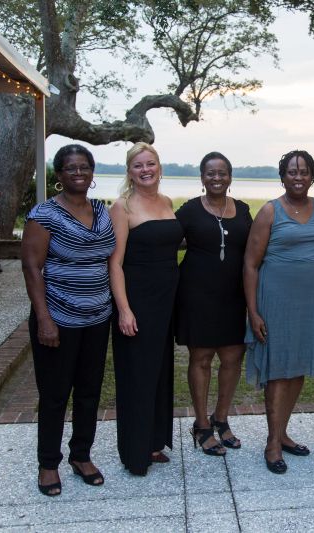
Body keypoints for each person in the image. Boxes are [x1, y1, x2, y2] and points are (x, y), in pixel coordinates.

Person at [21, 144, 115, 496]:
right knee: (55, 395)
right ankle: (48, 464)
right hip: (58, 319)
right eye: (71, 168)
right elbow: (31, 267)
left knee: (89, 392)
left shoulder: (102, 211)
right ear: (58, 175)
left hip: (97, 317)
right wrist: (44, 319)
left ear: (92, 173)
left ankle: (81, 456)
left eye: (84, 167)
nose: (79, 173)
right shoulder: (44, 215)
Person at [244, 149, 314, 474]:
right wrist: (253, 312)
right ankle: (272, 442)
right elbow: (250, 265)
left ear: (312, 176)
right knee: (277, 371)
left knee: (298, 369)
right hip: (276, 303)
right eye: (292, 172)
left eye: (304, 171)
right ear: (282, 176)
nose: (298, 177)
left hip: (313, 305)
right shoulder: (270, 211)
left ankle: (283, 433)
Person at [109, 142, 183, 476]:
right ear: (130, 171)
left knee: (158, 373)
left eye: (150, 164)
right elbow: (115, 263)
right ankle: (134, 453)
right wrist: (124, 309)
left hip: (165, 302)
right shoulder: (122, 207)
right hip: (137, 302)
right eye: (138, 165)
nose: (145, 170)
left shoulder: (167, 202)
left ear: (159, 167)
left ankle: (153, 443)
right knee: (136, 376)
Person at [175, 152, 253, 456]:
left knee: (233, 357)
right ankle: (202, 423)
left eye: (222, 173)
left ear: (230, 177)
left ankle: (221, 419)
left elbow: (256, 250)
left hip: (234, 296)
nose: (216, 178)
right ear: (202, 177)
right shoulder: (189, 211)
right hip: (197, 296)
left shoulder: (245, 210)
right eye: (210, 173)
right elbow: (165, 238)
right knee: (202, 358)